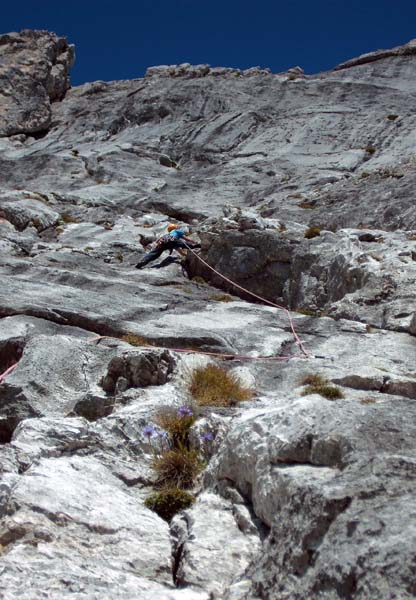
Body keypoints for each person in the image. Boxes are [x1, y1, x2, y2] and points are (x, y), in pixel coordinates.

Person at [135, 223, 200, 269]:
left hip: (163, 241)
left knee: (154, 254)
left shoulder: (167, 235)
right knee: (187, 245)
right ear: (175, 228)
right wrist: (193, 241)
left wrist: (184, 256)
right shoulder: (176, 231)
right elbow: (185, 239)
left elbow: (179, 251)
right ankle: (199, 245)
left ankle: (143, 261)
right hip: (171, 239)